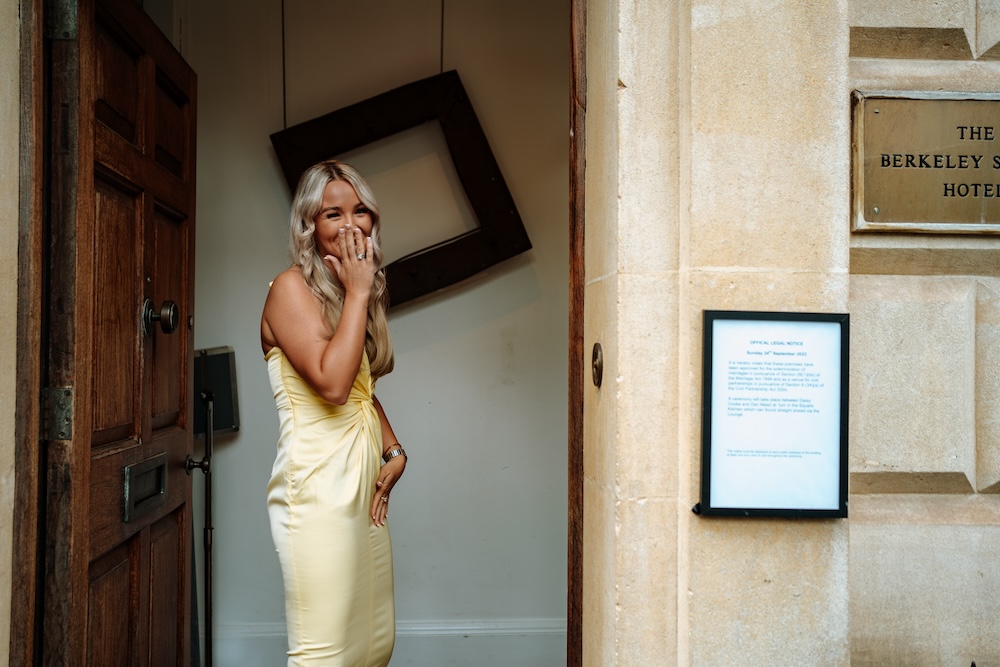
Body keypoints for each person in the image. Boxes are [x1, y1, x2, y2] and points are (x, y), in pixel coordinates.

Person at [260, 160, 406, 666]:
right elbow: (333, 383)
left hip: (362, 488)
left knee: (372, 646)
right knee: (325, 655)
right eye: (332, 214)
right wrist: (361, 292)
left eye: (360, 210)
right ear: (309, 228)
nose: (350, 224)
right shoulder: (289, 289)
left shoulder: (343, 293)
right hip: (317, 491)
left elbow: (363, 385)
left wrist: (394, 448)